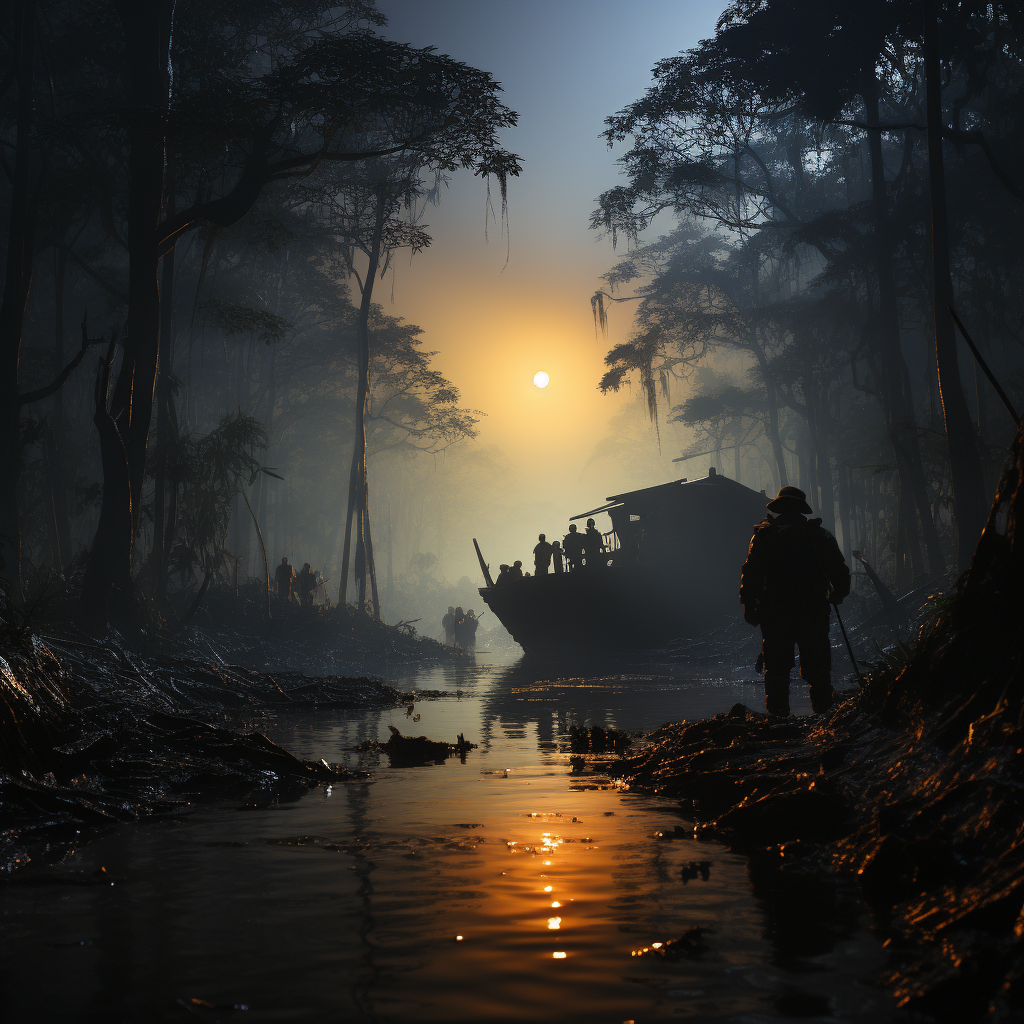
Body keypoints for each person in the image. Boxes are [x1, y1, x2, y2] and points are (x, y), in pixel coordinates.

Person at [739, 486, 851, 717]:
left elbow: (751, 575)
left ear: (779, 507)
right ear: (801, 508)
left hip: (776, 612)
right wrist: (838, 594)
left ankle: (779, 719)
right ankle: (823, 717)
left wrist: (749, 606)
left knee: (777, 669)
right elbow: (839, 571)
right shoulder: (819, 535)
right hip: (812, 610)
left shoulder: (764, 535)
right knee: (818, 668)